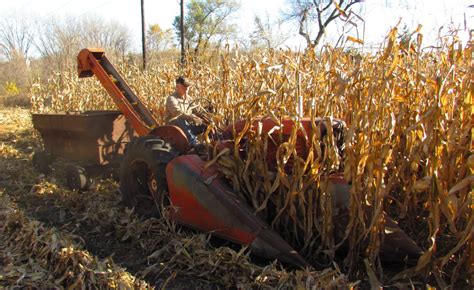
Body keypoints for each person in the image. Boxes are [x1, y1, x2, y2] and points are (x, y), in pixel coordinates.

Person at [165, 76, 207, 146]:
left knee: (205, 124)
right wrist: (191, 117)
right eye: (184, 86)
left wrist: (206, 111)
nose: (187, 88)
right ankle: (193, 143)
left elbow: (197, 111)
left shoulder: (189, 99)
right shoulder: (171, 99)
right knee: (180, 119)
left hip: (187, 127)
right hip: (174, 129)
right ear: (177, 86)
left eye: (188, 86)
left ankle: (212, 142)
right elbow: (177, 113)